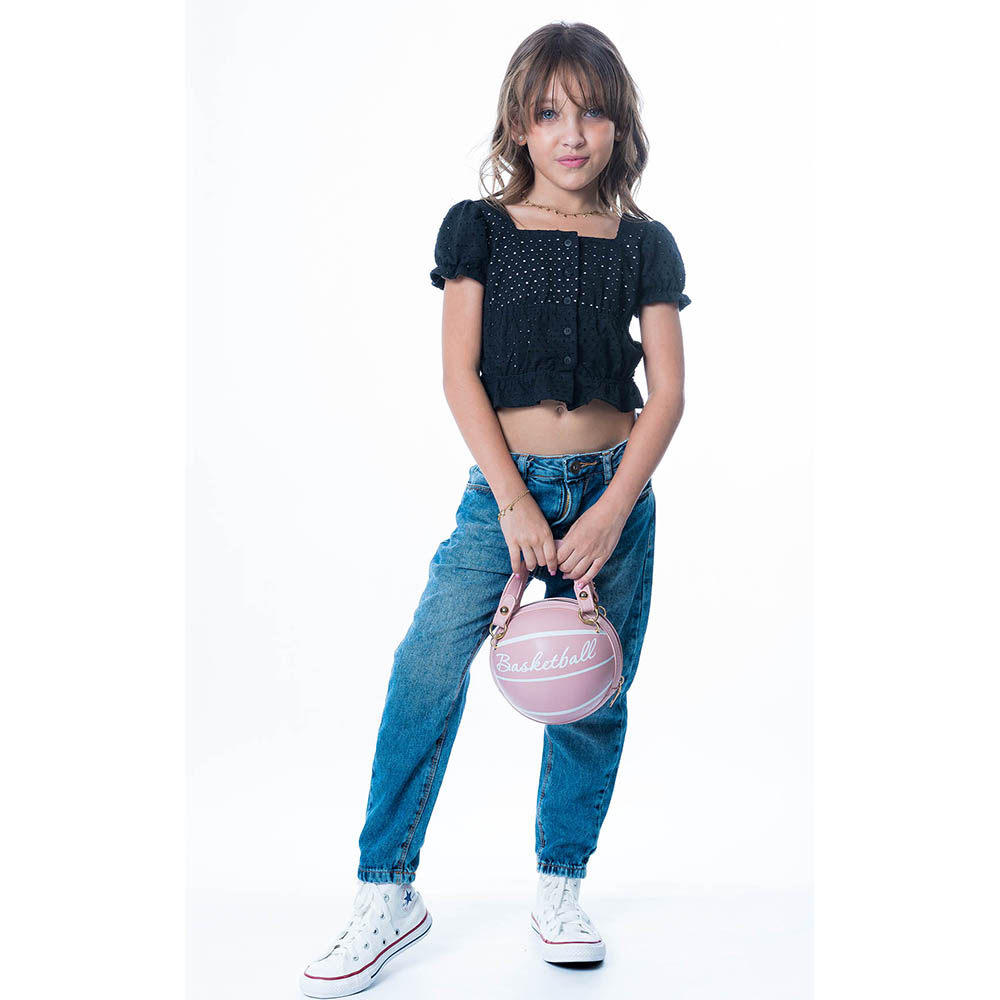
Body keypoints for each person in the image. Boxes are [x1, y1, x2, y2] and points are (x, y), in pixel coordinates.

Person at [299, 20, 690, 998]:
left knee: (591, 690)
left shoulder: (645, 244)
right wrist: (514, 501)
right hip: (503, 496)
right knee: (426, 664)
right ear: (519, 124)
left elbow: (670, 393)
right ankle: (387, 890)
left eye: (592, 113)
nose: (572, 133)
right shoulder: (477, 229)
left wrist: (612, 510)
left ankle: (561, 885)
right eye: (549, 112)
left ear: (619, 125)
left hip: (612, 493)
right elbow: (458, 374)